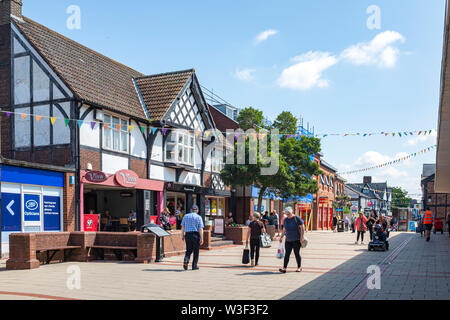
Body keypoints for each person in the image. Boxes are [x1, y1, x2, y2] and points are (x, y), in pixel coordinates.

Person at [279, 207, 304, 273]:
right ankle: (284, 268)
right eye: (286, 214)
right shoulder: (285, 220)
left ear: (291, 212)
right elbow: (284, 229)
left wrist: (302, 237)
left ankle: (299, 267)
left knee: (296, 253)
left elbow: (302, 227)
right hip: (288, 240)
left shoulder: (296, 218)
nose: (288, 215)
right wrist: (281, 237)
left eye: (289, 214)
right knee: (287, 254)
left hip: (296, 239)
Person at [181, 205, 204, 271]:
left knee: (188, 250)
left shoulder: (185, 216)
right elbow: (200, 229)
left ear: (191, 210)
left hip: (187, 235)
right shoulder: (198, 217)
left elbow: (182, 227)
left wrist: (182, 235)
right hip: (195, 235)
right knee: (196, 251)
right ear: (197, 210)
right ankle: (194, 266)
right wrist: (202, 238)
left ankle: (186, 260)